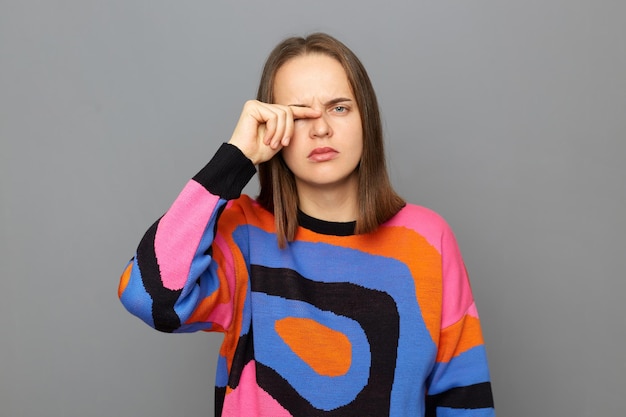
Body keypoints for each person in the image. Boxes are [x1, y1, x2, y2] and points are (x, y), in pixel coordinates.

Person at [118, 33, 495, 417]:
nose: (321, 130)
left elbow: (464, 398)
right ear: (273, 128)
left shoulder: (427, 238)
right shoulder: (244, 233)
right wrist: (234, 159)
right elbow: (149, 297)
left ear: (367, 118)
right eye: (299, 114)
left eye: (340, 108)